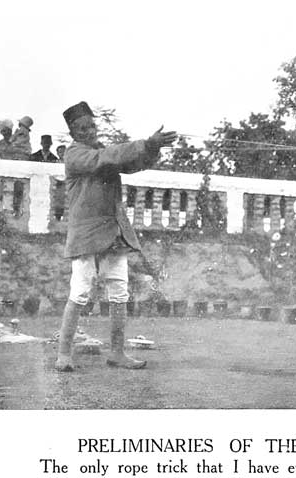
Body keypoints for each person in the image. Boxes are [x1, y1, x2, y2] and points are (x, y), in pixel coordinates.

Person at [55, 101, 177, 372]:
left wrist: (152, 148)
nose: (89, 131)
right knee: (80, 292)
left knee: (120, 293)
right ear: (73, 133)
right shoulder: (75, 155)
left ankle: (117, 353)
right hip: (87, 236)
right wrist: (146, 142)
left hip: (113, 233)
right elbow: (108, 157)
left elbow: (131, 163)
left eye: (91, 126)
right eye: (82, 129)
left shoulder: (102, 153)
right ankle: (63, 354)